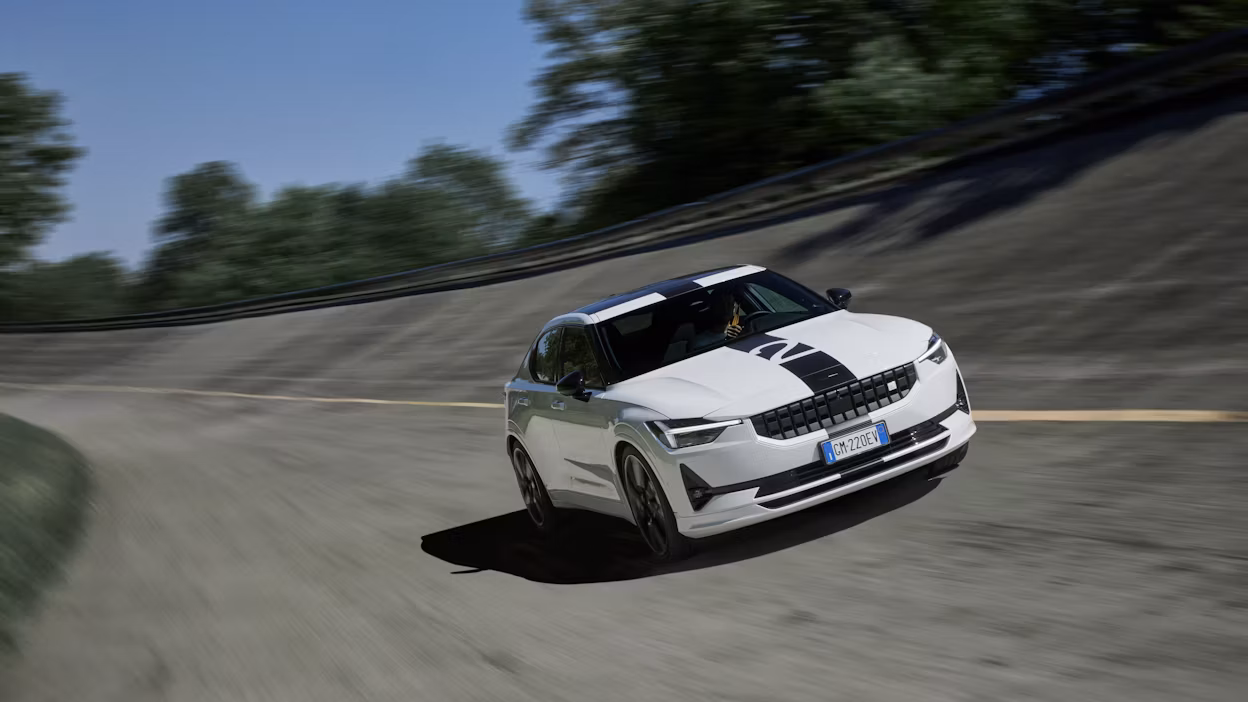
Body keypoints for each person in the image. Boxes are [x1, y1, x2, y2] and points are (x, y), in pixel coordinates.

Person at [690, 287, 745, 351]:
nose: (726, 308)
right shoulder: (700, 343)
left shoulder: (743, 330)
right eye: (721, 304)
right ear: (712, 307)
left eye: (729, 304)